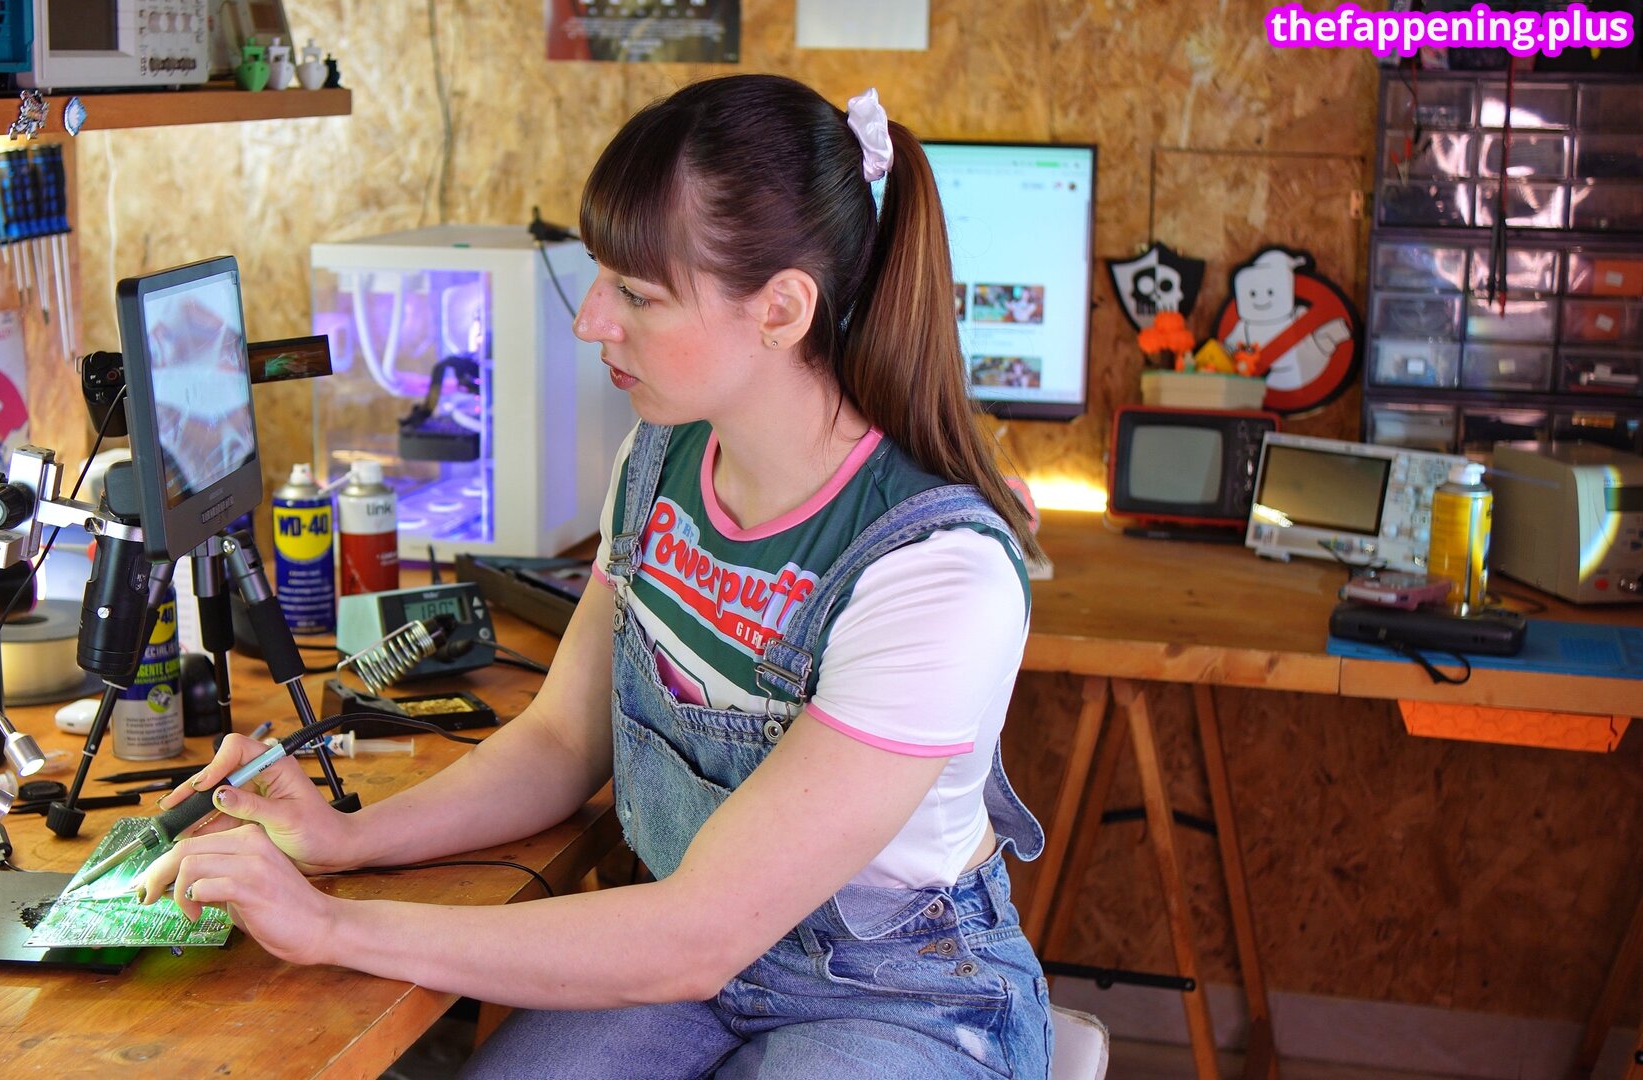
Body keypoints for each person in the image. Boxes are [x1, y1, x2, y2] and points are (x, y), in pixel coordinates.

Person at [137, 73, 1052, 1079]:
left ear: (782, 309)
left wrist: (330, 926)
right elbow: (563, 742)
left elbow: (696, 932)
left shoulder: (936, 573)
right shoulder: (659, 462)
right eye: (602, 278)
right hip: (696, 956)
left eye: (638, 294)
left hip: (896, 997)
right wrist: (345, 839)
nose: (591, 320)